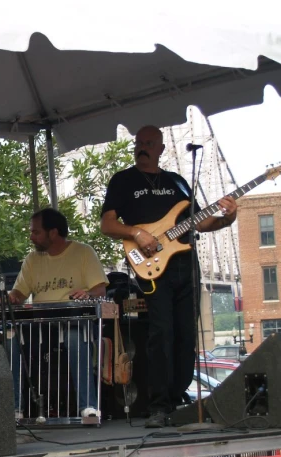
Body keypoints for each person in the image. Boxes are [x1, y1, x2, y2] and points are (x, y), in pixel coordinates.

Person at [100, 125, 237, 428]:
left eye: (149, 143)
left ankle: (178, 399)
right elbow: (107, 224)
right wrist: (136, 232)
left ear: (161, 149)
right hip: (152, 266)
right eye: (139, 143)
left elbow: (202, 223)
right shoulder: (123, 181)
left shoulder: (178, 183)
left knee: (186, 333)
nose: (142, 148)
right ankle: (158, 405)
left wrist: (228, 217)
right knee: (161, 332)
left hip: (186, 264)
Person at [7, 208, 109, 418]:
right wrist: (13, 297)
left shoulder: (83, 252)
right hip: (40, 322)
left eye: (36, 232)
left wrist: (87, 293)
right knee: (12, 338)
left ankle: (88, 407)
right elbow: (20, 291)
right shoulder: (32, 259)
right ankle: (15, 409)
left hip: (73, 320)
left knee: (74, 336)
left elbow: (100, 289)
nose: (31, 236)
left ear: (53, 233)